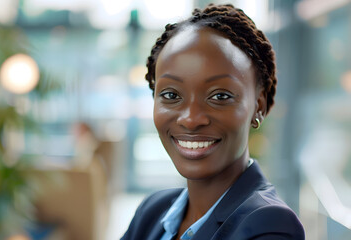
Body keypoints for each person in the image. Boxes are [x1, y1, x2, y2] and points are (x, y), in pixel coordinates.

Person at [121, 3, 305, 240]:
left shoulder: (270, 226)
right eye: (171, 95)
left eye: (220, 96)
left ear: (258, 106)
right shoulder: (153, 211)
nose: (190, 119)